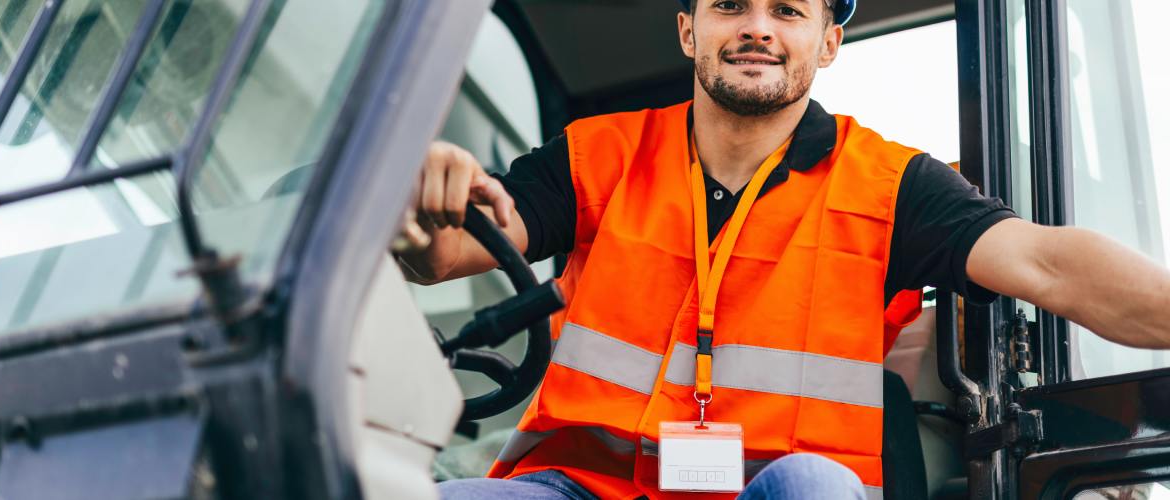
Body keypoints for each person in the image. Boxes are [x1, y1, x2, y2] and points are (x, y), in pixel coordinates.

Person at [397, 0, 1170, 498]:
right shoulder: (600, 155)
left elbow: (1046, 263)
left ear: (828, 41)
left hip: (767, 489)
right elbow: (444, 255)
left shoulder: (889, 186)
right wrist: (422, 199)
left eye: (788, 10)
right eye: (730, 6)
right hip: (579, 488)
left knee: (817, 487)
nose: (757, 28)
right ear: (688, 29)